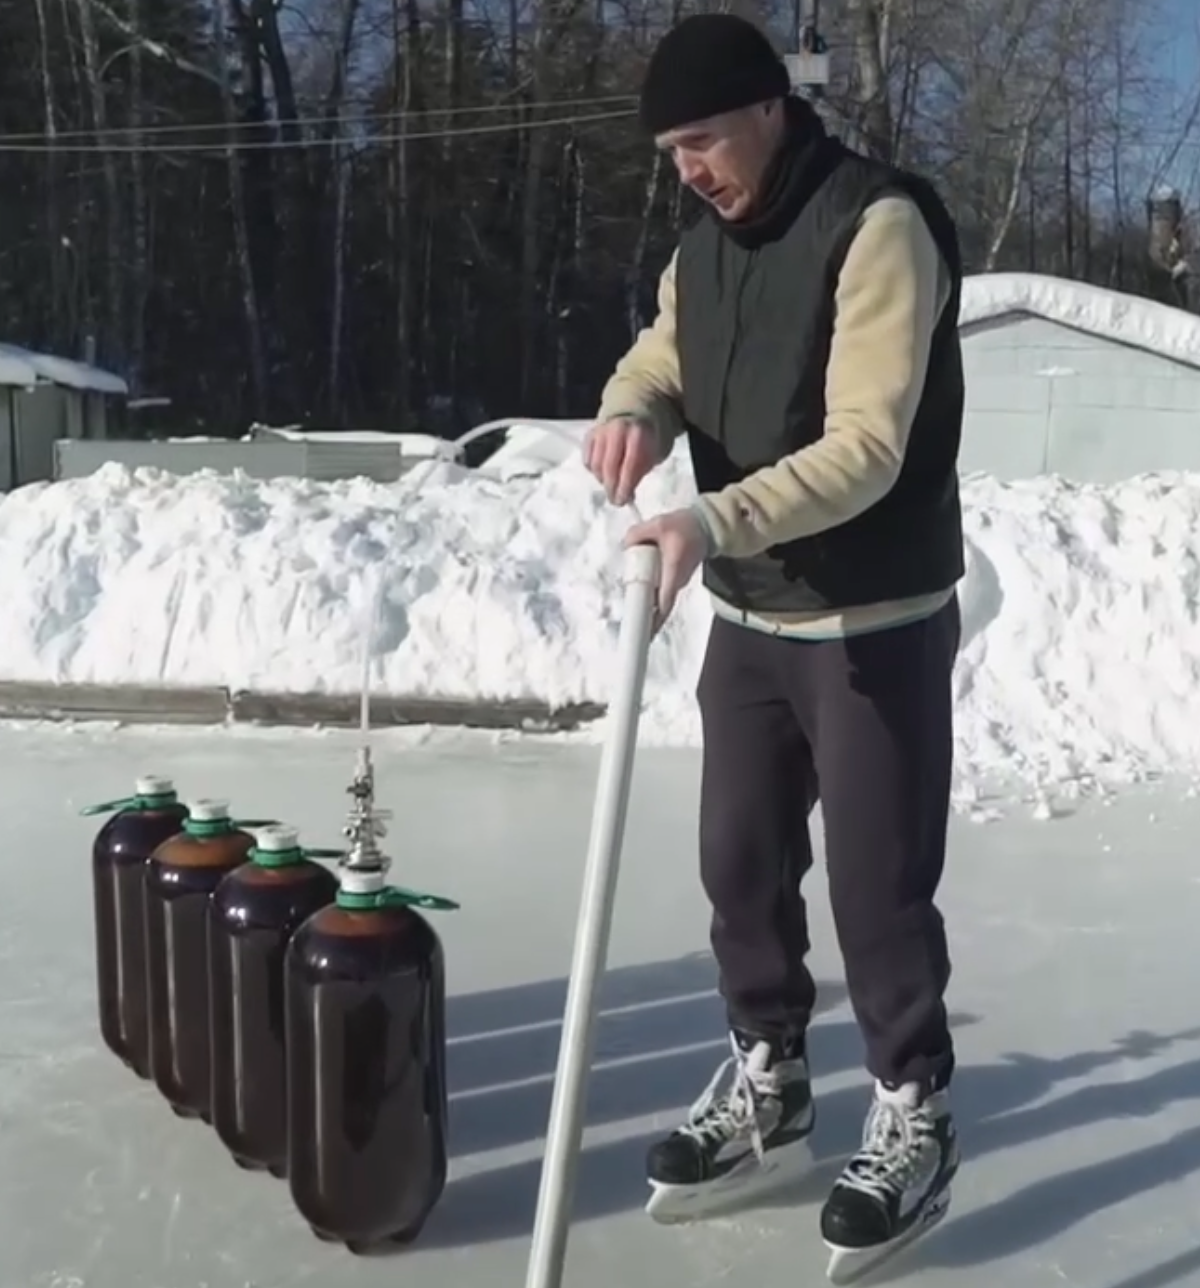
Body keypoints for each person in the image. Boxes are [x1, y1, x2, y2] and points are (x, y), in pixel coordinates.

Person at [583, 11, 964, 1263]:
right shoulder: (705, 247)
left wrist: (709, 516)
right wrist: (636, 402)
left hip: (872, 618)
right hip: (751, 617)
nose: (687, 166)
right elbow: (665, 351)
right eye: (670, 151)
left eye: (701, 139)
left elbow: (867, 445)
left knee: (876, 888)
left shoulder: (879, 226)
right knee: (739, 868)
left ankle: (913, 1107)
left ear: (766, 108)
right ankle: (771, 1079)